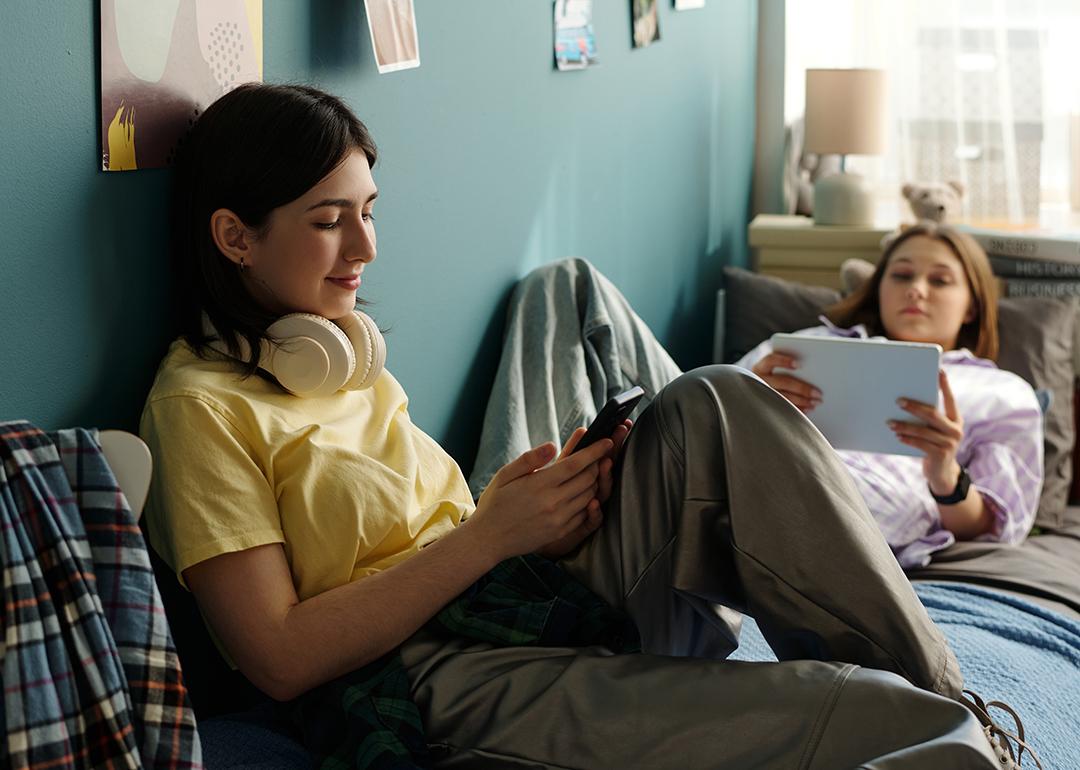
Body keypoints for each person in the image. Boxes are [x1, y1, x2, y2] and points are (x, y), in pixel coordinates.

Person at [140, 83, 1008, 768]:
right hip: (428, 675)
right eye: (329, 223)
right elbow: (279, 658)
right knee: (892, 722)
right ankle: (958, 729)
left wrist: (532, 514)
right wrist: (485, 539)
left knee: (715, 399)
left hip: (509, 594)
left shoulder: (338, 356)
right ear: (235, 236)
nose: (365, 249)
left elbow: (442, 538)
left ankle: (963, 707)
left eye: (369, 211)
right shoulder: (199, 409)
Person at [736, 225, 1044, 569]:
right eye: (901, 275)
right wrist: (748, 396)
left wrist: (946, 476)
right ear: (879, 288)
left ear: (971, 306)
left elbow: (992, 531)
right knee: (678, 390)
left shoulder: (1002, 393)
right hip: (745, 470)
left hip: (854, 511)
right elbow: (703, 412)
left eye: (940, 281)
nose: (915, 290)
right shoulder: (801, 346)